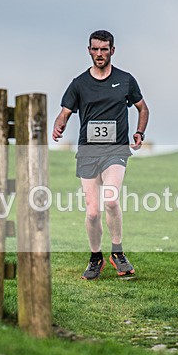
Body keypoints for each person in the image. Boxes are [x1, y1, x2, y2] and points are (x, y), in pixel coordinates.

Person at [52, 30, 150, 280]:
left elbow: (143, 108)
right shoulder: (79, 83)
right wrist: (59, 125)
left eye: (104, 49)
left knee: (111, 201)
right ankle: (96, 257)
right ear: (88, 50)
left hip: (115, 151)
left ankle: (117, 252)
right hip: (88, 152)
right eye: (95, 49)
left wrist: (139, 133)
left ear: (112, 51)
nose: (99, 54)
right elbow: (65, 111)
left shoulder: (125, 80)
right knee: (92, 211)